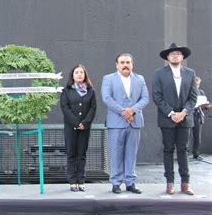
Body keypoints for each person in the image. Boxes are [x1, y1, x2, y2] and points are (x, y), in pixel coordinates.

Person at [152, 43, 198, 195]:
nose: (175, 55)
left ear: (182, 57)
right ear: (167, 57)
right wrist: (172, 113)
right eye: (172, 54)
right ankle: (169, 183)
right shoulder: (159, 73)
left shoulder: (190, 73)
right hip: (167, 118)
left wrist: (183, 113)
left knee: (183, 150)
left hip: (185, 118)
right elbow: (157, 96)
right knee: (168, 150)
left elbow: (193, 97)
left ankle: (185, 183)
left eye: (178, 53)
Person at [101, 53, 149, 194]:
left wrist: (132, 110)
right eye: (122, 62)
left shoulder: (140, 79)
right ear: (117, 65)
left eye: (128, 62)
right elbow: (107, 98)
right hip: (116, 123)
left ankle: (130, 182)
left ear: (132, 64)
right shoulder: (108, 79)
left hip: (134, 122)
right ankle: (116, 183)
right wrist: (124, 112)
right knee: (116, 154)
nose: (125, 65)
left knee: (131, 154)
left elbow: (145, 98)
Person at [60, 64, 97, 192]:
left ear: (85, 75)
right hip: (71, 127)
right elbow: (65, 108)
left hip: (85, 128)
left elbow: (93, 108)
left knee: (82, 154)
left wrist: (85, 123)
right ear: (72, 75)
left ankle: (81, 180)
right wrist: (76, 123)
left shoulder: (91, 91)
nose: (80, 74)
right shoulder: (66, 91)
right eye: (77, 72)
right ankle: (72, 181)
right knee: (71, 154)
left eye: (82, 72)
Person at [190, 77, 210, 161]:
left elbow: (204, 105)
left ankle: (196, 153)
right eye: (196, 84)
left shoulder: (201, 92)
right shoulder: (189, 91)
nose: (197, 86)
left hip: (198, 115)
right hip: (190, 114)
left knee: (197, 136)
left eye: (198, 84)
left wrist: (206, 105)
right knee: (186, 135)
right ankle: (184, 151)